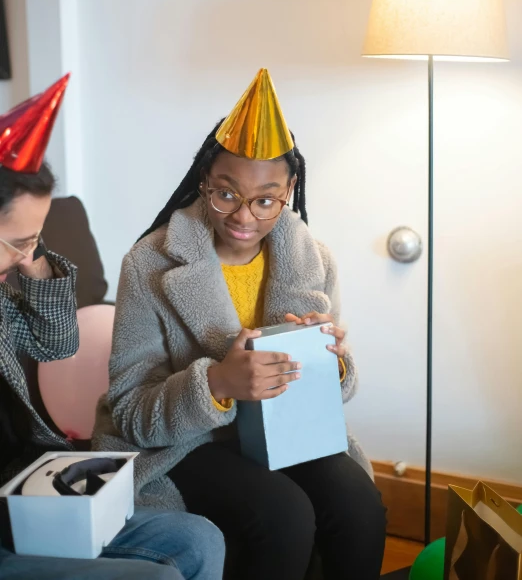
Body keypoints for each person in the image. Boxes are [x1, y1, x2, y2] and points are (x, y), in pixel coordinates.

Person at [95, 68, 387, 579]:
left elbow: (335, 394)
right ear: (203, 180)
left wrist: (333, 365)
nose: (244, 217)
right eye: (226, 193)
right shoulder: (148, 264)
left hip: (286, 432)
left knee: (358, 504)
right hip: (189, 443)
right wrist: (218, 383)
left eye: (266, 199)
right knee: (284, 515)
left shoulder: (312, 258)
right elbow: (129, 411)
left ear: (290, 189)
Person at [0, 77, 225, 580]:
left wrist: (32, 260)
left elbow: (57, 344)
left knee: (200, 539)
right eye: (17, 242)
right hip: (14, 521)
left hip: (33, 498)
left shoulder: (5, 291)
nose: (24, 256)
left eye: (34, 240)